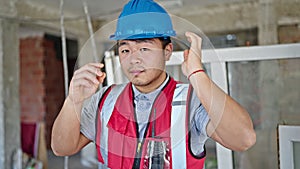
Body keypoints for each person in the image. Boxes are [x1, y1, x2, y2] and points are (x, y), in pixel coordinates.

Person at [51, 0, 256, 168]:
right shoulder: (106, 100)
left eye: (144, 49)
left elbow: (243, 139)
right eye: (125, 50)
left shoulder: (189, 101)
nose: (133, 59)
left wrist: (197, 74)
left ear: (167, 51)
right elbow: (62, 148)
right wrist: (74, 100)